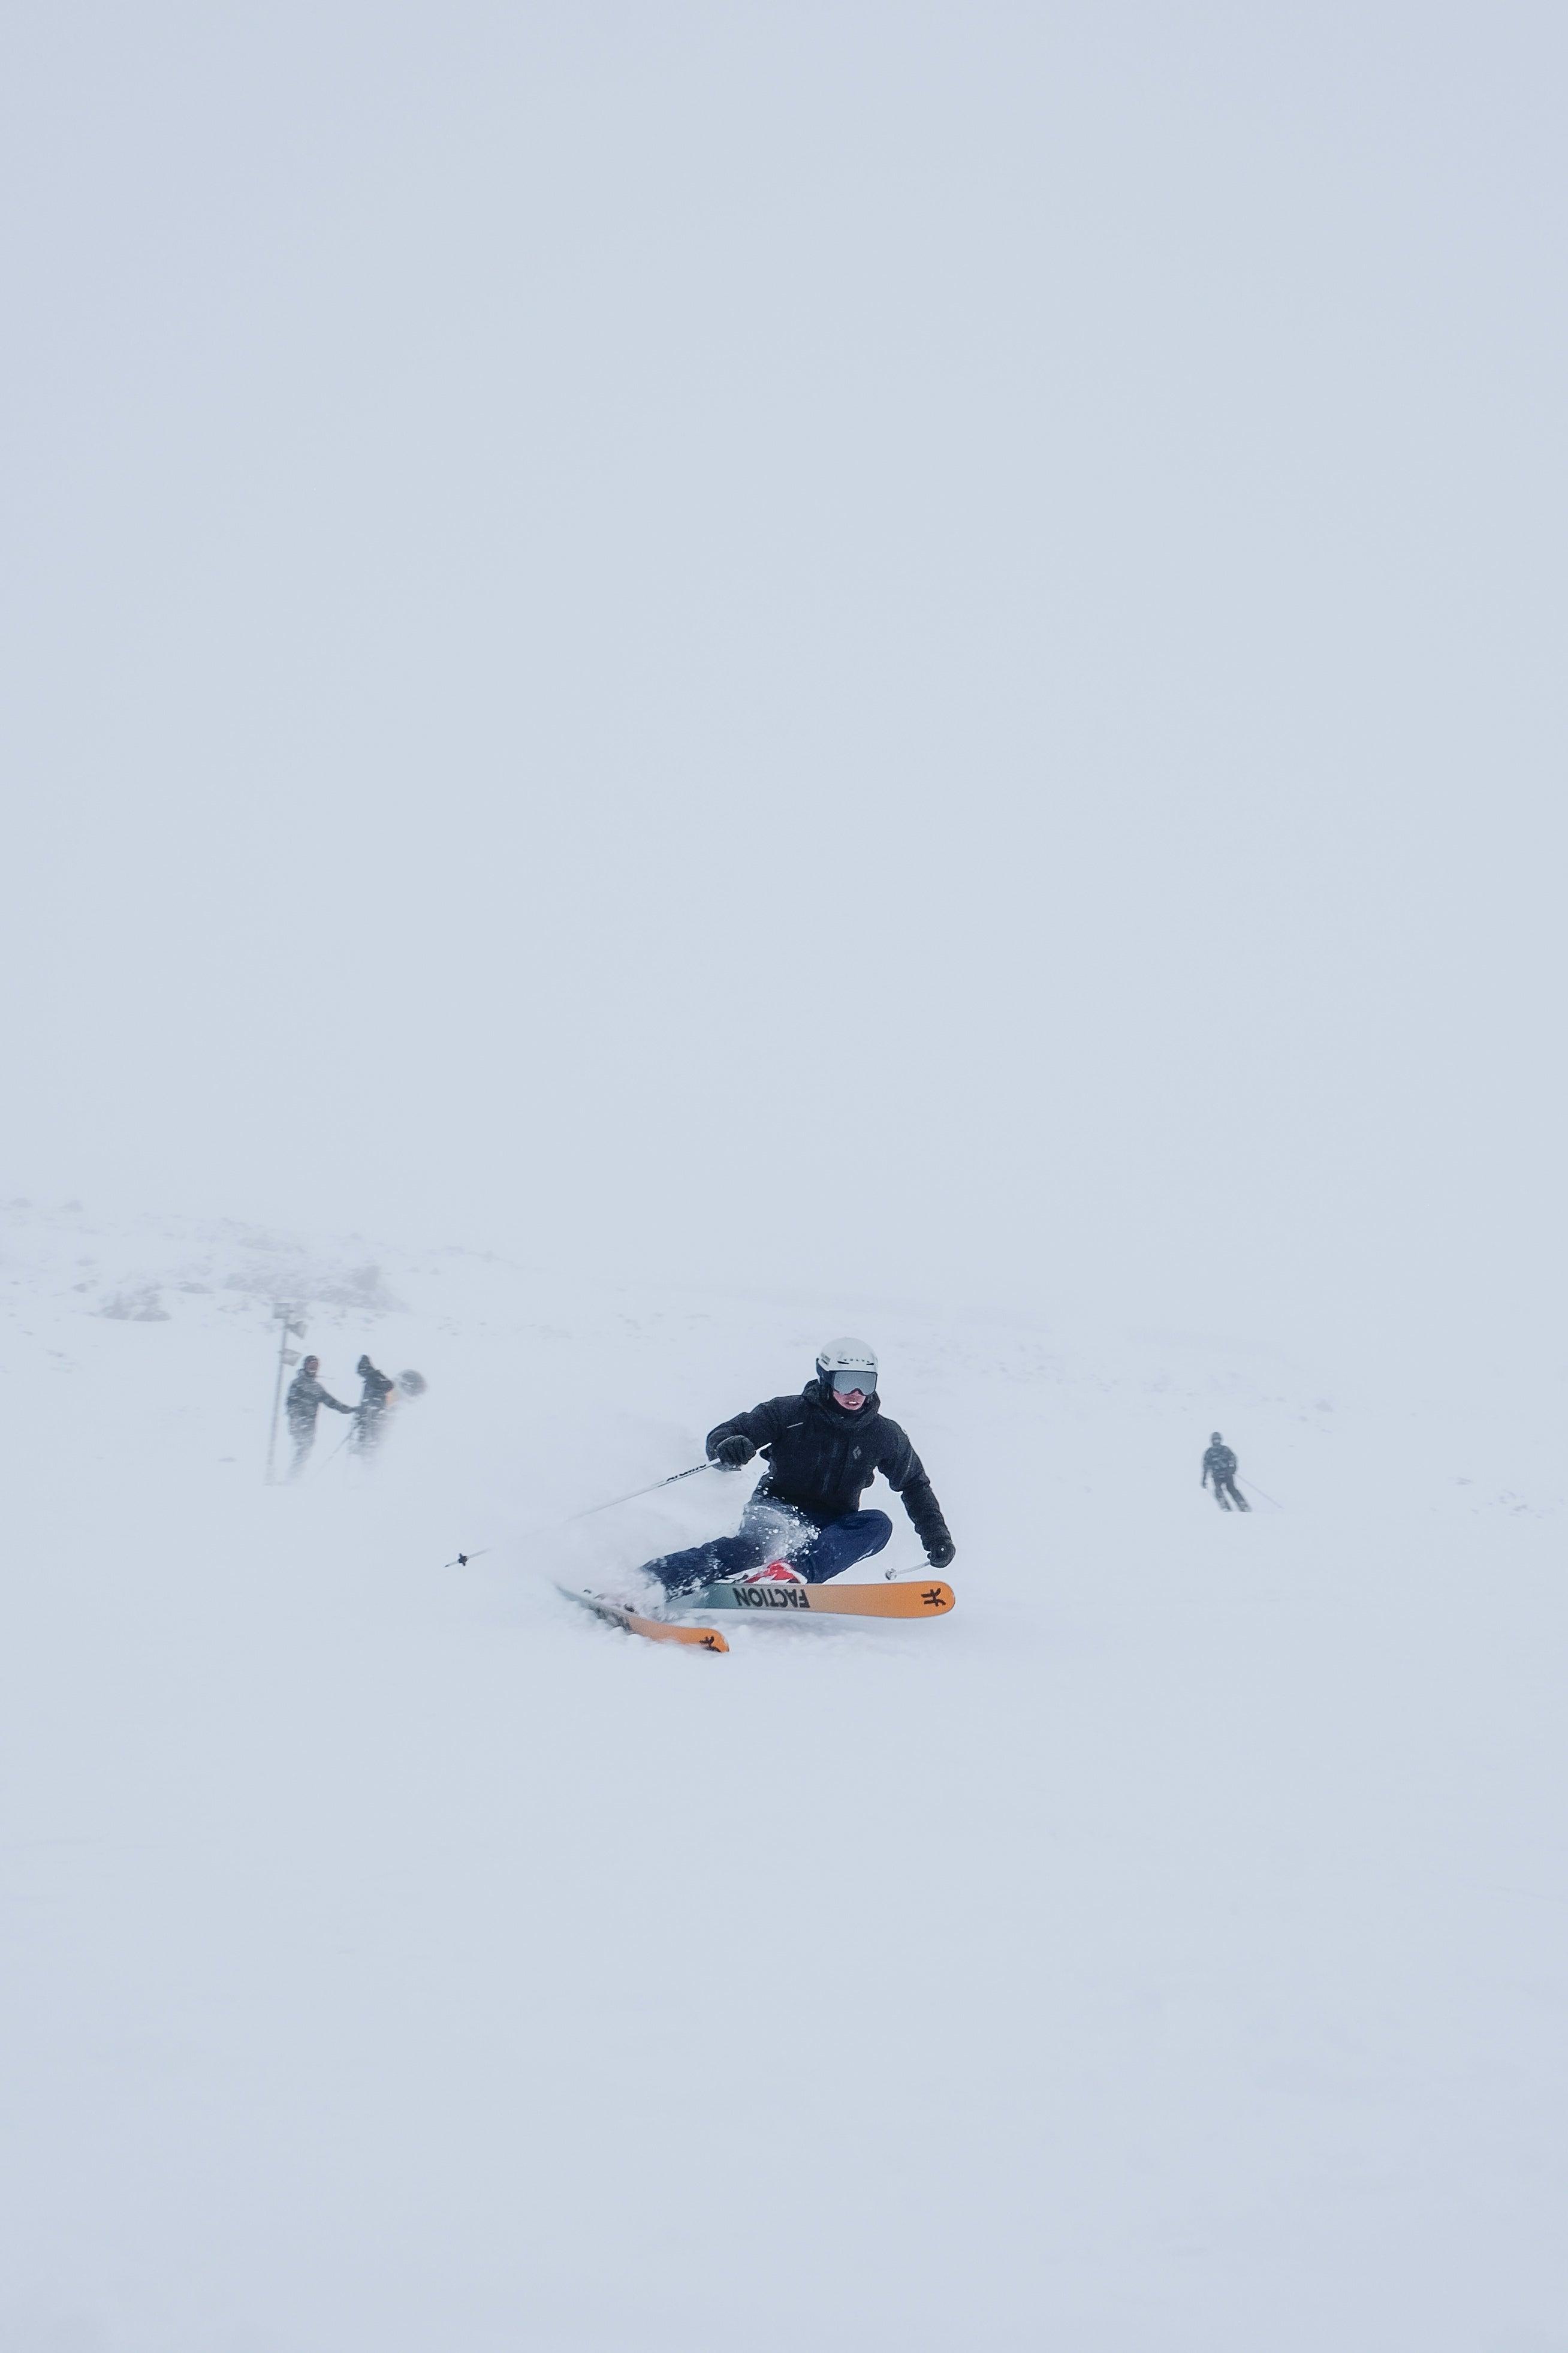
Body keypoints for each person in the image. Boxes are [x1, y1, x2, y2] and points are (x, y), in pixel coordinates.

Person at [635, 1339, 955, 1598]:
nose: (856, 1394)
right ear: (826, 1379)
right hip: (774, 1512)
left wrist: (936, 1537)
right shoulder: (788, 1412)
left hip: (832, 1526)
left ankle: (789, 1575)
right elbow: (723, 1436)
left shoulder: (884, 1434)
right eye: (846, 1383)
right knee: (750, 1549)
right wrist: (730, 1447)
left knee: (878, 1525)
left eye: (865, 1383)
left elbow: (914, 1484)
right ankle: (648, 1583)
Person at [284, 1355, 354, 1479]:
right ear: (305, 1366)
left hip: (310, 1427)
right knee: (301, 1451)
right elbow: (290, 1405)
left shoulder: (317, 1388)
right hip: (299, 1425)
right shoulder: (297, 1384)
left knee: (304, 1453)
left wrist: (347, 1409)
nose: (313, 1369)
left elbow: (331, 1402)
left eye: (316, 1366)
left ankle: (295, 1477)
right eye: (311, 1366)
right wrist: (297, 1421)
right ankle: (292, 1478)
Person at [351, 1354, 397, 1456]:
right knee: (366, 1432)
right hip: (369, 1415)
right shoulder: (368, 1381)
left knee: (374, 1435)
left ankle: (370, 1451)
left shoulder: (376, 1376)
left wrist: (377, 1396)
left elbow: (390, 1385)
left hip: (376, 1415)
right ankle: (363, 1447)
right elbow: (365, 1401)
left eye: (362, 1371)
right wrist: (360, 1412)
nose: (362, 1374)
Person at [1201, 1431, 1250, 1512]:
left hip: (1227, 1474)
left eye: (1218, 1440)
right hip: (1216, 1476)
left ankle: (1243, 1505)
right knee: (1218, 1490)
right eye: (1215, 1440)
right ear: (1212, 1441)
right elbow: (1206, 1466)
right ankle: (1225, 1506)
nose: (1217, 1442)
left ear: (1221, 1440)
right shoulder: (1209, 1452)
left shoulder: (1225, 1449)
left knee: (1232, 1489)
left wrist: (1233, 1469)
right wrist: (1204, 1479)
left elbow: (1234, 1459)